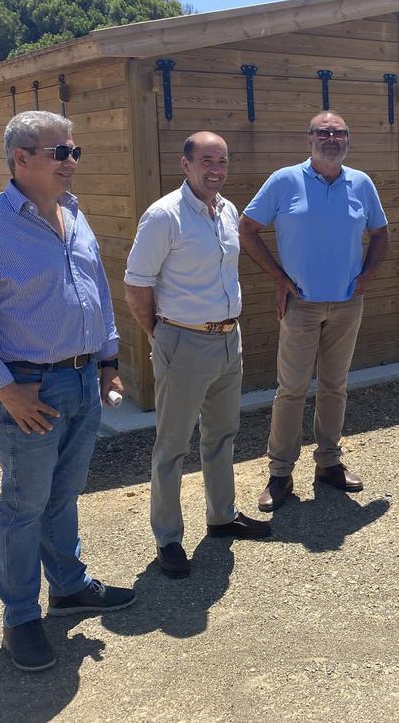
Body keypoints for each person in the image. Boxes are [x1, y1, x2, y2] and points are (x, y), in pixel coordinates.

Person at [0, 110, 134, 673]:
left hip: (81, 377)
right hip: (29, 387)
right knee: (24, 507)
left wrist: (108, 360)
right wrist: (5, 391)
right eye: (60, 152)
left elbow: (94, 288)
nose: (71, 161)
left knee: (63, 495)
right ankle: (20, 618)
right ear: (20, 159)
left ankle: (69, 587)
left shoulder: (74, 214)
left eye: (74, 151)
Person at [124, 132, 270, 581]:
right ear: (184, 165)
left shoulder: (227, 211)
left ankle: (222, 516)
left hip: (229, 339)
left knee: (222, 434)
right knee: (172, 447)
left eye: (222, 161)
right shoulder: (164, 216)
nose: (216, 169)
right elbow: (136, 286)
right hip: (183, 341)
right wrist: (162, 336)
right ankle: (168, 539)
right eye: (206, 160)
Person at [239, 111, 389, 512]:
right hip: (300, 304)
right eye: (323, 132)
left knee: (335, 385)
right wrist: (278, 278)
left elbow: (381, 233)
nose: (331, 138)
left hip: (346, 303)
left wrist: (367, 276)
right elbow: (247, 228)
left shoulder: (361, 183)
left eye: (339, 132)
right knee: (291, 390)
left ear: (347, 140)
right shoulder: (284, 180)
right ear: (309, 139)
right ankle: (280, 474)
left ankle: (328, 463)